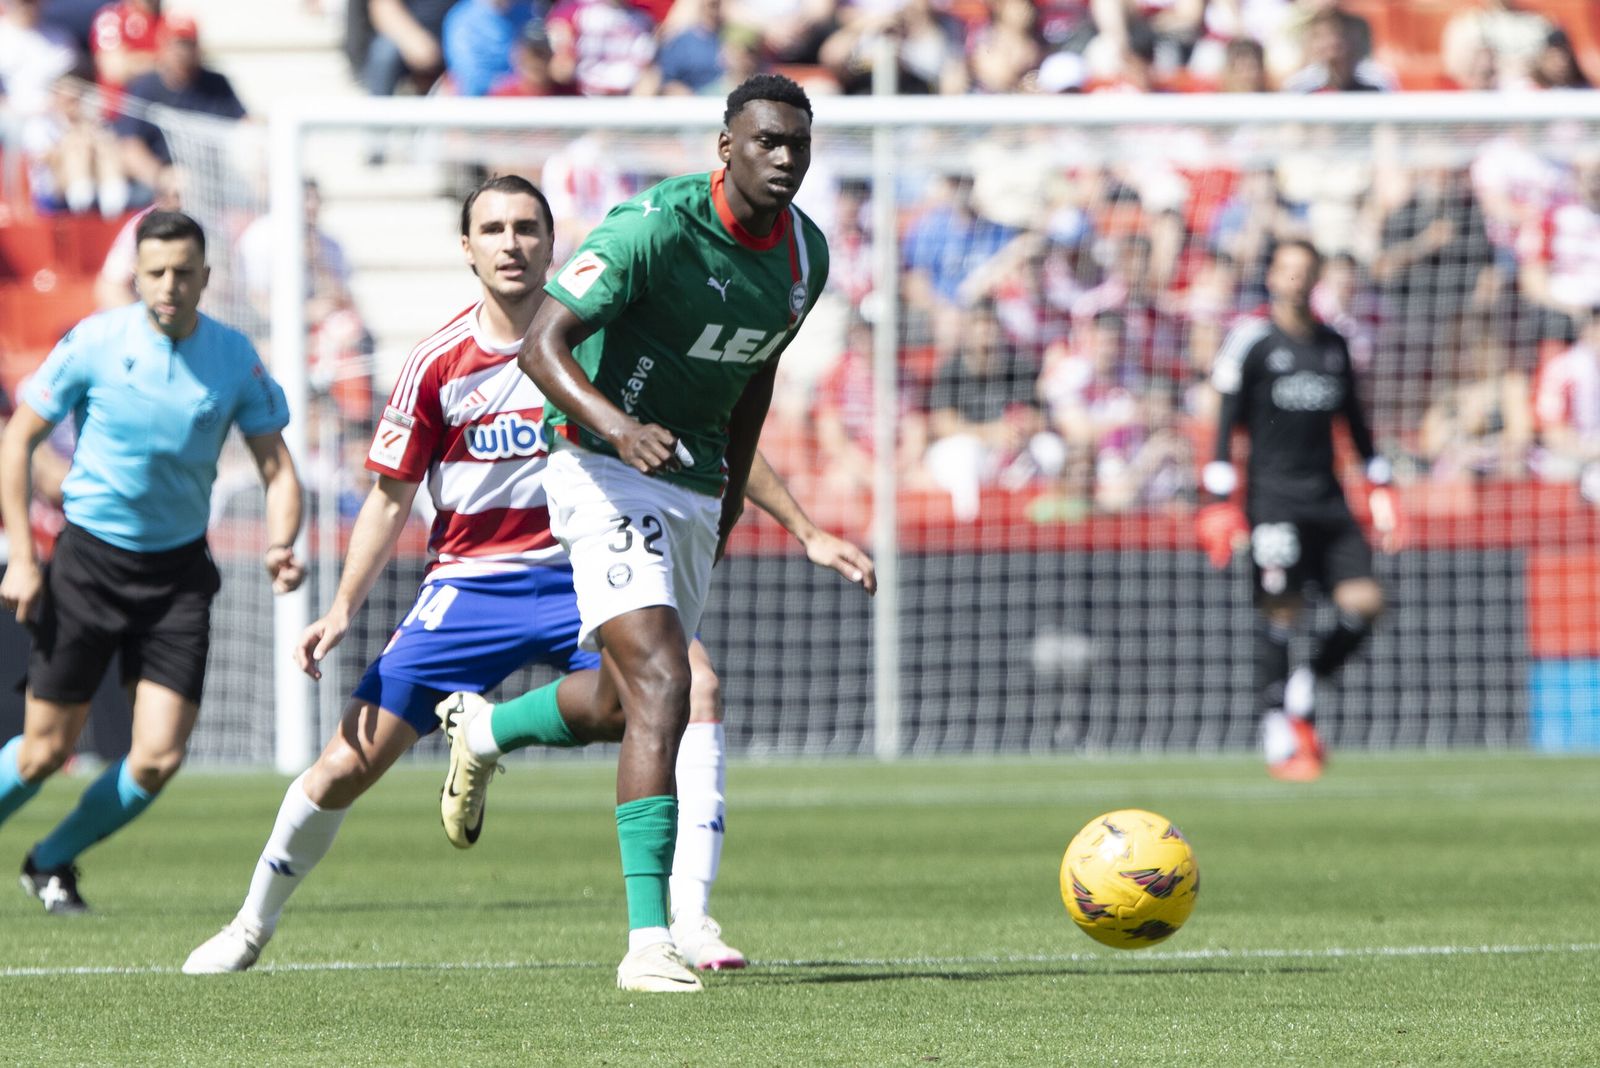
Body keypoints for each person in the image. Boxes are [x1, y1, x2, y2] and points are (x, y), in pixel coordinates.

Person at [181, 172, 868, 983]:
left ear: (554, 244)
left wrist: (807, 528)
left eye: (528, 229)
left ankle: (687, 917)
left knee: (690, 687)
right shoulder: (439, 362)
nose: (513, 244)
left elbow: (708, 436)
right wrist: (339, 609)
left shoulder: (610, 340)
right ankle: (249, 925)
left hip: (586, 570)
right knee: (346, 762)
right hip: (471, 587)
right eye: (495, 230)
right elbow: (389, 496)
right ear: (466, 248)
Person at [501, 73, 829, 992]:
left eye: (798, 145)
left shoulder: (807, 258)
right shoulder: (653, 227)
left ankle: (487, 729)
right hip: (597, 464)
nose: (784, 159)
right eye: (766, 141)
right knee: (664, 678)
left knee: (624, 705)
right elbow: (541, 346)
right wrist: (616, 427)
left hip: (691, 486)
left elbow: (754, 385)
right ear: (725, 146)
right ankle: (650, 938)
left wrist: (727, 501)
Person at [0, 210, 305, 913]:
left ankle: (50, 859)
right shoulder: (95, 343)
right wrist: (22, 557)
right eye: (156, 272)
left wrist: (281, 542)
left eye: (183, 272)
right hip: (85, 568)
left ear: (205, 277)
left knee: (158, 757)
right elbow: (17, 442)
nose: (170, 285)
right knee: (45, 751)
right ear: (136, 277)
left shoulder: (234, 358)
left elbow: (278, 470)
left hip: (176, 579)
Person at [1195, 239, 1400, 783]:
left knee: (1367, 602)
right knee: (1280, 613)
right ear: (1271, 277)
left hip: (1329, 500)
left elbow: (1355, 423)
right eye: (1287, 271)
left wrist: (1380, 483)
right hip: (1273, 500)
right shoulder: (1253, 340)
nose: (1296, 281)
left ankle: (1306, 683)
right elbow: (1224, 420)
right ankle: (1276, 729)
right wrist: (1219, 500)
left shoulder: (1334, 344)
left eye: (1306, 272)